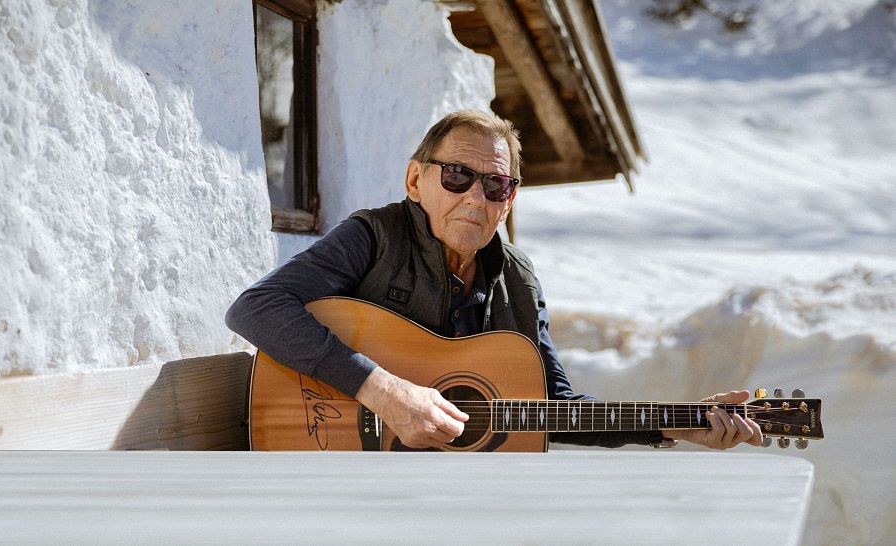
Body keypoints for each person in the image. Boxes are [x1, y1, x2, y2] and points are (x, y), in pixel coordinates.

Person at [226, 110, 763, 451]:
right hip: (334, 469)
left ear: (510, 201)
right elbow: (256, 308)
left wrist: (674, 425)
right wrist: (384, 391)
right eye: (457, 175)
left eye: (496, 186)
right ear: (416, 179)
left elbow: (553, 407)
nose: (474, 198)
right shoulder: (375, 235)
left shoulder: (519, 282)